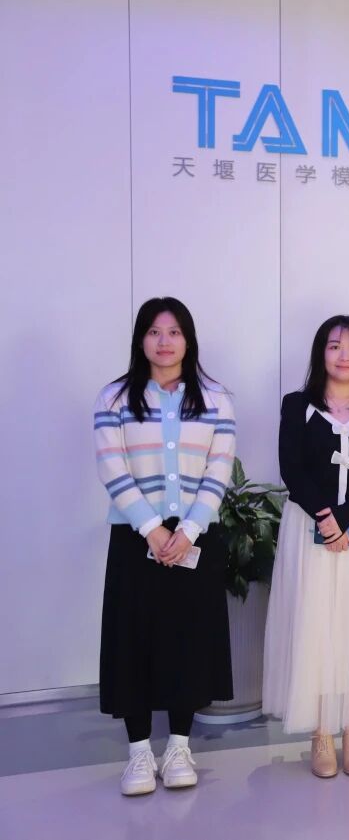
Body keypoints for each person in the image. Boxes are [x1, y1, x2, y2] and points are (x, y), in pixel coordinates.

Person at [94, 297, 236, 796]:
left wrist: (189, 531)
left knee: (187, 641)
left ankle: (178, 746)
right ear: (141, 340)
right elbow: (112, 468)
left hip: (195, 536)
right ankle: (138, 752)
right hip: (136, 537)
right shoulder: (114, 398)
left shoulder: (216, 399)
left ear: (188, 340)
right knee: (132, 640)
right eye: (154, 332)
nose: (164, 341)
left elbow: (218, 471)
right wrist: (152, 529)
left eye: (174, 332)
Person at [263, 316, 349, 778]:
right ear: (320, 352)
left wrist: (345, 518)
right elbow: (291, 468)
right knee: (316, 623)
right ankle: (321, 731)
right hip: (309, 526)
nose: (344, 355)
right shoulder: (297, 405)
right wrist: (326, 518)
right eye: (335, 345)